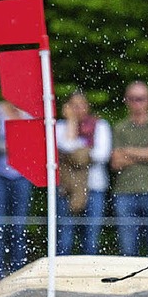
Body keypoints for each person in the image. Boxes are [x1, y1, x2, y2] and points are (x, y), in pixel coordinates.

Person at [110, 81, 148, 257]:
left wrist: (128, 151)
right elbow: (116, 162)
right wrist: (147, 153)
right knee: (127, 250)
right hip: (125, 192)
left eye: (141, 99)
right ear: (126, 101)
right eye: (133, 99)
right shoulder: (120, 127)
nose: (137, 103)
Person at [55, 91, 111, 255]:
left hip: (95, 188)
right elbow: (64, 146)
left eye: (82, 105)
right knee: (64, 239)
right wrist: (71, 122)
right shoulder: (59, 127)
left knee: (91, 240)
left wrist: (77, 155)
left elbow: (102, 155)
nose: (78, 109)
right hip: (67, 190)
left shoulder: (100, 125)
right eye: (74, 105)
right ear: (67, 108)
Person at [0, 101, 33, 278]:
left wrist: (14, 144)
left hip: (21, 176)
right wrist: (11, 145)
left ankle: (17, 273)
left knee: (19, 227)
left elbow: (33, 145)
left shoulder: (29, 112)